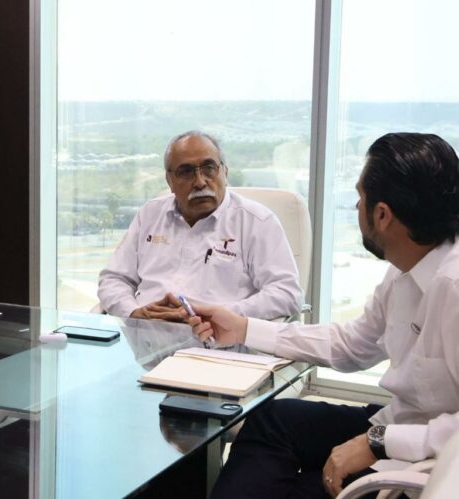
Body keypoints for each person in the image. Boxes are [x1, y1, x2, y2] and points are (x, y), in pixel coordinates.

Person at [187, 132, 459, 498]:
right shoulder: (405, 270)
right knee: (272, 420)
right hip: (398, 424)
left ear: (382, 215)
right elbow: (351, 345)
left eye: (360, 198)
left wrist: (379, 442)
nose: (356, 207)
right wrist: (244, 329)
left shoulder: (453, 287)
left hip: (427, 466)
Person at [98, 130, 302, 322]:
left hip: (218, 339)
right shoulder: (150, 215)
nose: (200, 182)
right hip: (146, 336)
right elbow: (113, 279)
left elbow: (287, 294)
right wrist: (133, 312)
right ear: (169, 180)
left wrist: (219, 316)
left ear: (225, 172)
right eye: (186, 172)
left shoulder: (256, 222)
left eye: (209, 168)